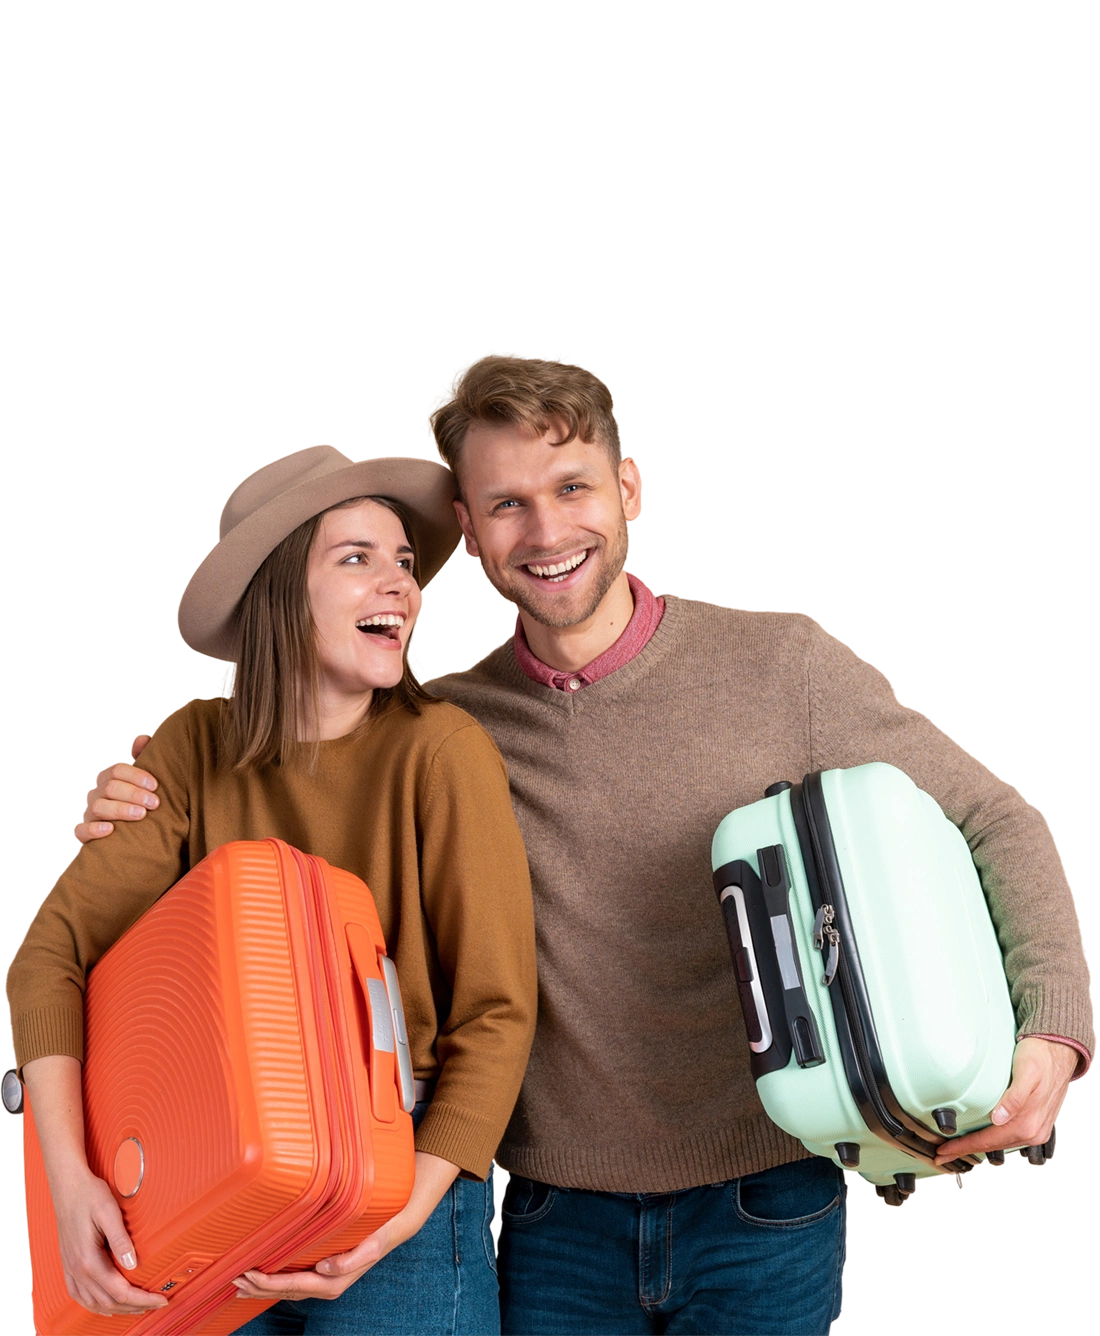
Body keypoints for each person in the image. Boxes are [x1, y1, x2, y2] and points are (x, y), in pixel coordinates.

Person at [72, 358, 1095, 1336]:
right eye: (507, 503)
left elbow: (995, 817)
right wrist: (142, 803)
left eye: (572, 487)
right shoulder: (440, 728)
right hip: (542, 1222)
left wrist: (1052, 1031)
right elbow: (292, 796)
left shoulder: (782, 663)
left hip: (765, 1199)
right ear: (467, 531)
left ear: (629, 488)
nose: (546, 529)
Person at [8, 446, 537, 1334]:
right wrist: (70, 1184)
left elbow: (497, 1014)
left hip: (398, 1193)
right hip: (213, 1174)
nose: (399, 586)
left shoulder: (442, 753)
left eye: (404, 563)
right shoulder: (189, 747)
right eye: (357, 559)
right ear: (280, 591)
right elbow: (49, 960)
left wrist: (395, 1223)